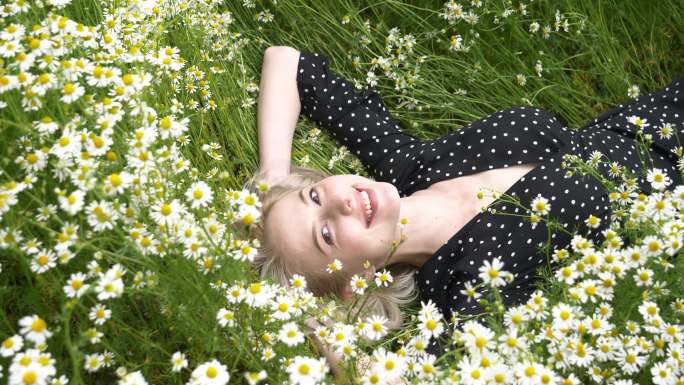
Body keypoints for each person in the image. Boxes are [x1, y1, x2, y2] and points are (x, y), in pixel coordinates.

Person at [247, 45, 684, 363]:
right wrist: (325, 333)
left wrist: (274, 181)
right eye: (325, 234)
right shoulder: (467, 291)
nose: (341, 201)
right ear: (354, 283)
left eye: (316, 194)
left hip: (656, 120)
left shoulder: (411, 165)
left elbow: (287, 62)